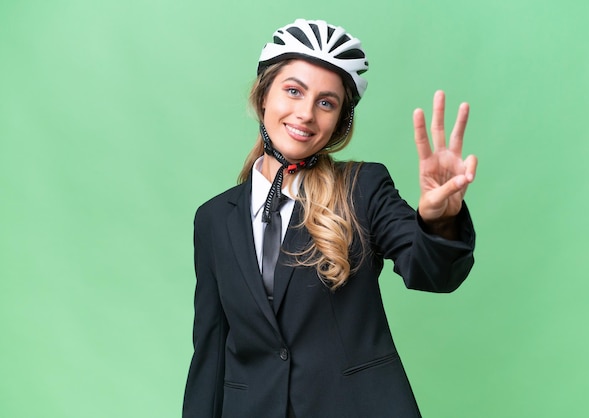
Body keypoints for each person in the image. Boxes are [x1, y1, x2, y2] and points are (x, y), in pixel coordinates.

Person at [183, 18, 477, 418]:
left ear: (339, 121)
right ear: (263, 96)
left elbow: (432, 273)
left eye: (326, 102)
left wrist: (439, 221)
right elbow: (211, 349)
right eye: (293, 91)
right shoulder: (214, 219)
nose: (306, 114)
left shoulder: (363, 188)